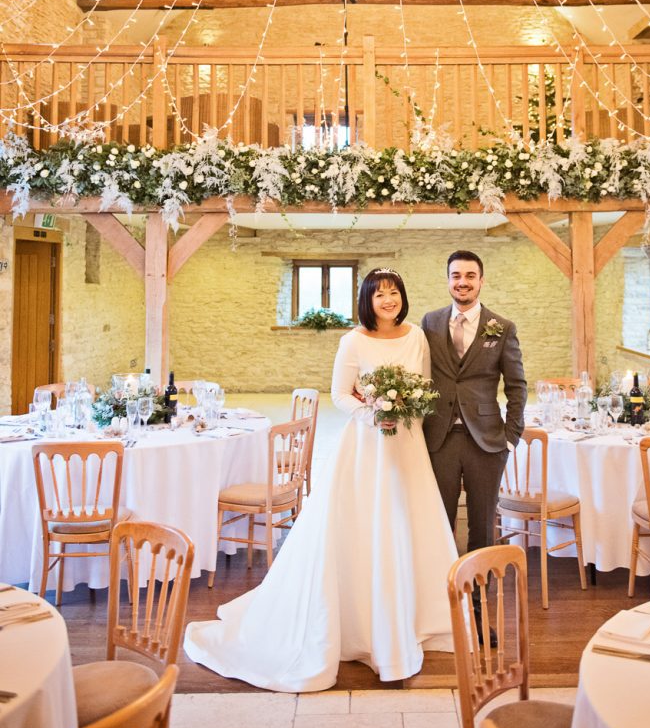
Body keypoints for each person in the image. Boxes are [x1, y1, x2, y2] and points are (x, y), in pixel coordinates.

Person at [184, 268, 457, 692]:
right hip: (367, 445)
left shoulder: (417, 336)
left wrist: (406, 409)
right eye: (380, 294)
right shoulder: (353, 340)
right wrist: (374, 413)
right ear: (367, 300)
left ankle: (416, 618)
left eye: (394, 293)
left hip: (406, 444)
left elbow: (423, 383)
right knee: (362, 525)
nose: (389, 300)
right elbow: (340, 393)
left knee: (409, 519)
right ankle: (359, 624)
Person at [422, 250, 526, 561]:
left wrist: (511, 436)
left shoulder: (503, 327)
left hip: (487, 440)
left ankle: (478, 597)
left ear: (481, 281)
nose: (462, 282)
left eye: (470, 276)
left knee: (482, 523)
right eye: (456, 276)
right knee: (439, 520)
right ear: (448, 280)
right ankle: (442, 591)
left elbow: (517, 386)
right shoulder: (430, 322)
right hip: (439, 438)